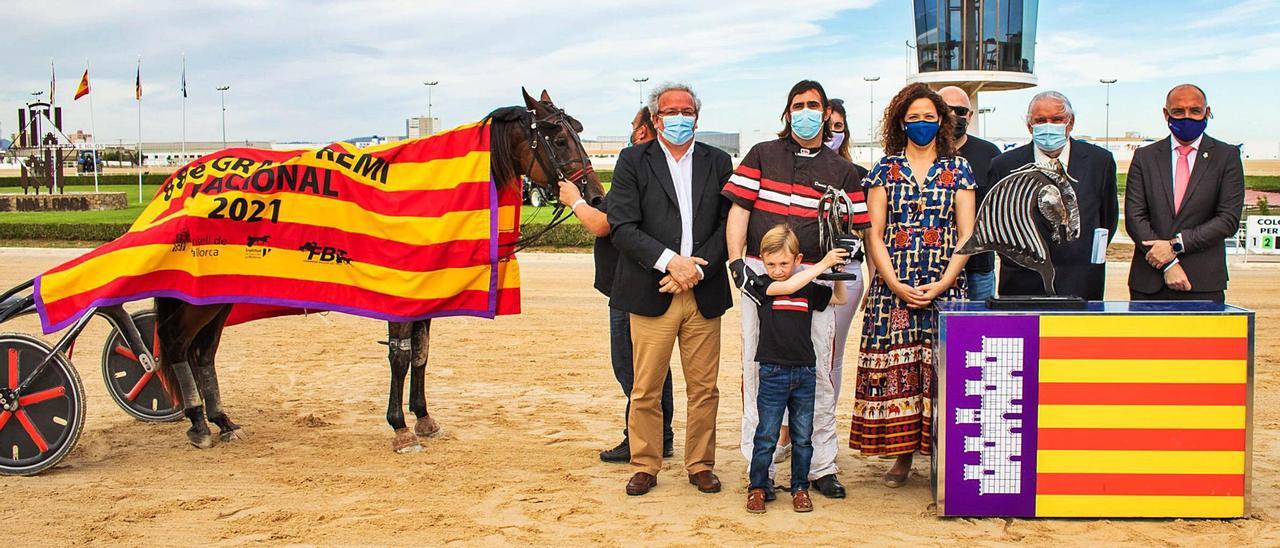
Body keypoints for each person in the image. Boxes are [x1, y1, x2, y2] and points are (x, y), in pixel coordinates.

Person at [724, 80, 870, 500]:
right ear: (787, 112)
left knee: (819, 371)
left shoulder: (842, 170)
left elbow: (857, 230)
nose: (806, 112)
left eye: (814, 105)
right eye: (798, 105)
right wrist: (737, 265)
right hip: (760, 272)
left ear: (826, 113)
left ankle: (822, 465)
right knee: (756, 370)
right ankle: (761, 469)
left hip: (815, 274)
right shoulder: (762, 155)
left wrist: (839, 261)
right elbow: (739, 211)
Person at [608, 82, 733, 496]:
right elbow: (623, 226)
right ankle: (646, 463)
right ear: (656, 118)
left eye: (687, 110)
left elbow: (726, 224)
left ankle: (700, 464)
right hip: (651, 290)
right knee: (645, 387)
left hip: (703, 290)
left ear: (697, 116)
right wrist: (671, 263)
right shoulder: (632, 160)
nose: (680, 118)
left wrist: (697, 269)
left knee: (704, 388)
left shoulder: (717, 161)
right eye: (670, 111)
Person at [850, 82, 975, 488]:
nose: (921, 123)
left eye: (929, 116)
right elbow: (875, 235)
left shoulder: (959, 169)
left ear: (941, 120)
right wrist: (894, 283)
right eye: (913, 117)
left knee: (943, 373)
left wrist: (943, 283)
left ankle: (945, 456)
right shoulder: (884, 169)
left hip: (946, 284)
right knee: (901, 370)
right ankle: (902, 457)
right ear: (901, 121)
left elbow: (966, 234)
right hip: (895, 287)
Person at [559, 105, 675, 463]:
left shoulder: (635, 165)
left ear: (644, 131)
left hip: (630, 284)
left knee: (629, 367)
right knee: (652, 367)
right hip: (643, 280)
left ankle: (641, 436)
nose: (631, 133)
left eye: (633, 127)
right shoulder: (658, 169)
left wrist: (574, 201)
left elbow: (603, 224)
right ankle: (661, 434)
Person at [744, 225, 849, 514]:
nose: (778, 270)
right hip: (772, 372)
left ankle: (800, 487)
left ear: (798, 259)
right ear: (763, 262)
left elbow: (839, 299)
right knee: (766, 434)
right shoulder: (761, 285)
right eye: (771, 264)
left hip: (804, 373)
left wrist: (837, 273)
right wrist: (824, 264)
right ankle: (758, 486)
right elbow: (786, 287)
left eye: (784, 263)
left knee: (803, 436)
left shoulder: (809, 289)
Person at [989, 91, 1117, 300]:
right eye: (1040, 120)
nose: (1048, 126)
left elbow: (1107, 218)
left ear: (1070, 122)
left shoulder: (1099, 161)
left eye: (1057, 119)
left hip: (1081, 283)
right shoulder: (1004, 165)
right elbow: (998, 224)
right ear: (1030, 126)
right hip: (1022, 284)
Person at [1125, 84, 1244, 303]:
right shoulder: (1145, 157)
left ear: (1207, 112)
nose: (1186, 117)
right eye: (1178, 112)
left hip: (1203, 282)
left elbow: (1228, 219)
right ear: (1166, 113)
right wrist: (1168, 263)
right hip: (1149, 282)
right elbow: (1134, 217)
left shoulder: (1227, 156)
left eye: (1195, 111)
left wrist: (1175, 246)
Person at [937, 86, 1002, 301]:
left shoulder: (990, 154)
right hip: (932, 265)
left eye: (961, 111)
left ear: (970, 116)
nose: (954, 115)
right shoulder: (920, 154)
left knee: (978, 331)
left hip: (978, 267)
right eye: (947, 109)